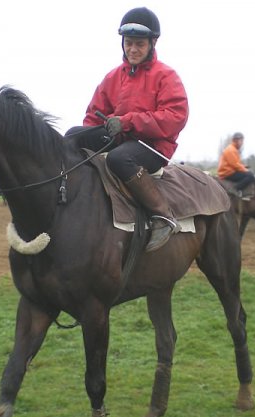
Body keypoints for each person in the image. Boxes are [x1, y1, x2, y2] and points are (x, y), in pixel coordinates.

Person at [66, 7, 189, 252]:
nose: (132, 49)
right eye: (128, 43)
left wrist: (127, 121)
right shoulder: (113, 77)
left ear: (153, 43)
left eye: (139, 44)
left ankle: (162, 215)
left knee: (119, 158)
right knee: (73, 135)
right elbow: (93, 115)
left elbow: (176, 117)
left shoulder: (166, 76)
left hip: (153, 147)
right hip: (121, 138)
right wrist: (94, 134)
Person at [217, 132, 255, 198]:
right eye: (242, 141)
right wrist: (245, 170)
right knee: (250, 176)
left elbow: (236, 163)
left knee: (247, 173)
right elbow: (235, 165)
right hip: (227, 173)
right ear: (236, 140)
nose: (242, 143)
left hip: (229, 171)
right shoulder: (231, 150)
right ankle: (236, 189)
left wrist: (244, 167)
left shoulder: (233, 149)